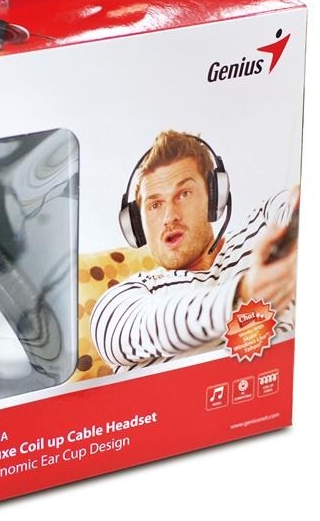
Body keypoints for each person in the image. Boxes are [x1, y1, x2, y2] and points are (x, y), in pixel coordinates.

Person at [90, 130, 297, 373]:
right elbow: (120, 333)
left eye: (184, 194)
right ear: (137, 224)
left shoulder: (263, 225)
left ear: (214, 197)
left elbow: (297, 214)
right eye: (155, 205)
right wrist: (240, 294)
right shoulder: (126, 296)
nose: (170, 217)